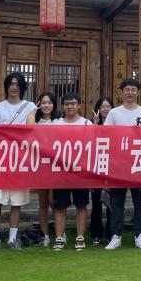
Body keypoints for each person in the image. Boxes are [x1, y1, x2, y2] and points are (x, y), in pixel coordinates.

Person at [104, 79, 141, 250]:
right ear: (122, 92)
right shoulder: (114, 113)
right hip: (118, 162)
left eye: (133, 90)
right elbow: (106, 134)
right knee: (117, 201)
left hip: (138, 161)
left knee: (140, 202)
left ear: (138, 92)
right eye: (127, 89)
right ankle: (115, 235)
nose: (130, 92)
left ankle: (140, 235)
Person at [0, 72, 34, 251]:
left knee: (16, 201)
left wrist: (8, 131)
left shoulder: (29, 106)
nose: (14, 87)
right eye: (11, 84)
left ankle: (12, 239)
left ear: (22, 87)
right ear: (6, 86)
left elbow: (30, 129)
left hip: (18, 160)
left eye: (17, 84)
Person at [48, 92, 92, 251]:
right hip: (61, 171)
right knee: (60, 206)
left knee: (81, 204)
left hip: (80, 171)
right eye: (66, 104)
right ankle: (59, 238)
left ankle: (80, 237)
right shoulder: (56, 124)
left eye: (73, 103)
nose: (70, 106)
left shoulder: (87, 123)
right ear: (62, 106)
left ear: (79, 105)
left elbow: (93, 146)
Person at [26, 92, 58, 247]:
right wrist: (33, 111)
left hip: (56, 165)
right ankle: (45, 236)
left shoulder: (59, 121)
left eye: (49, 102)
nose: (46, 105)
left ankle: (60, 233)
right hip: (40, 165)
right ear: (38, 104)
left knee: (54, 200)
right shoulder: (35, 121)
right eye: (43, 102)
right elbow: (29, 131)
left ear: (54, 104)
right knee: (43, 202)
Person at [89, 96, 114, 246]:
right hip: (97, 168)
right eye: (102, 107)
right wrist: (95, 124)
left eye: (108, 107)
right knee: (96, 201)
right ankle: (95, 234)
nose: (105, 109)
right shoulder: (92, 124)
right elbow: (88, 142)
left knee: (111, 202)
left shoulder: (117, 124)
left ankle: (111, 233)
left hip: (113, 168)